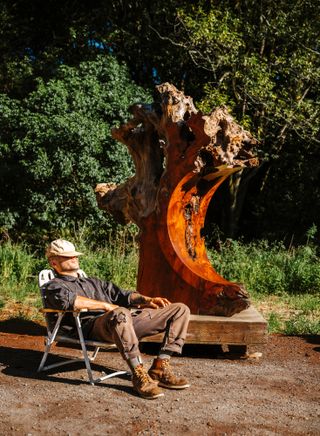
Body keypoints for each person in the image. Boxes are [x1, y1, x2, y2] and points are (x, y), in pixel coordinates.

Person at [42, 238, 191, 399]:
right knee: (120, 313)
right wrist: (106, 306)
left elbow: (122, 295)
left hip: (121, 322)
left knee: (180, 309)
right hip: (89, 328)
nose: (74, 258)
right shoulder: (53, 286)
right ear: (54, 263)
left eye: (75, 255)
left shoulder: (93, 282)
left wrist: (147, 300)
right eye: (68, 256)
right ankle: (138, 374)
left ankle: (160, 367)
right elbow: (71, 301)